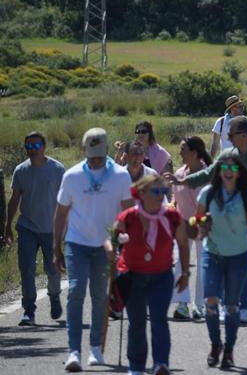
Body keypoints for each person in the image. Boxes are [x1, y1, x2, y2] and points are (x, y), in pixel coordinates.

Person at [172, 116, 247, 323]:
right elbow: (208, 174)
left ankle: (244, 306)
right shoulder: (227, 155)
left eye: (232, 134)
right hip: (226, 215)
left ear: (245, 135)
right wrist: (184, 180)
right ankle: (224, 304)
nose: (229, 138)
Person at [54, 128, 134, 372]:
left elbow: (128, 212)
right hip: (77, 243)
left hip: (105, 246)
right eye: (92, 156)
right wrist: (56, 246)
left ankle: (96, 349)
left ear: (107, 150)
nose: (96, 160)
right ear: (84, 152)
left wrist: (124, 241)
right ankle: (74, 352)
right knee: (76, 291)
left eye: (100, 156)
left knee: (100, 296)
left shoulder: (120, 175)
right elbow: (61, 213)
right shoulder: (72, 176)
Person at [114, 175, 189, 375]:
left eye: (163, 192)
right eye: (155, 192)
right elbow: (112, 239)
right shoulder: (128, 217)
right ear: (142, 193)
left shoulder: (172, 217)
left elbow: (182, 244)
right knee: (137, 323)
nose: (160, 196)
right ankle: (136, 367)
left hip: (161, 276)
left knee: (159, 320)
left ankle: (161, 363)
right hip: (133, 276)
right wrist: (113, 246)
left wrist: (186, 273)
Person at [195, 155, 247, 369]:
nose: (228, 170)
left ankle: (230, 349)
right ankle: (216, 345)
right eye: (224, 166)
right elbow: (198, 221)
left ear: (238, 172)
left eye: (233, 167)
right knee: (211, 301)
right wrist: (202, 227)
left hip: (239, 255)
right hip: (212, 254)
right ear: (219, 170)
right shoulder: (208, 194)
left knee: (232, 305)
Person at [5, 131, 65, 326]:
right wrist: (8, 227)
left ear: (44, 147)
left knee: (53, 270)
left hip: (51, 228)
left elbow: (66, 201)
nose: (32, 150)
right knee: (27, 268)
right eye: (28, 147)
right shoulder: (21, 171)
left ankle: (54, 296)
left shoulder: (57, 169)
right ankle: (29, 310)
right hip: (27, 227)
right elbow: (14, 200)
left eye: (36, 146)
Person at [170, 136, 212, 321]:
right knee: (180, 262)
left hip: (203, 227)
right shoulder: (179, 174)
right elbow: (175, 198)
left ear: (194, 153)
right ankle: (182, 304)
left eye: (183, 150)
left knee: (204, 265)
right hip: (182, 226)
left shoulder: (208, 175)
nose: (180, 153)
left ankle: (200, 306)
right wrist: (171, 206)